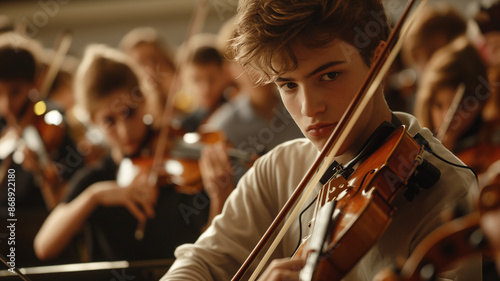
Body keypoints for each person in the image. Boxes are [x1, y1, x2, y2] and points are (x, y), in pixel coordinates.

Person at [161, 1, 479, 280]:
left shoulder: (448, 189)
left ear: (379, 60)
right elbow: (199, 263)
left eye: (329, 76)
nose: (309, 108)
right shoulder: (277, 169)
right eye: (287, 85)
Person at [33, 45, 226, 262]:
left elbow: (213, 255)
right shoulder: (96, 178)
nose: (125, 131)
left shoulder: (180, 165)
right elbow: (44, 247)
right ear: (93, 121)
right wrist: (96, 196)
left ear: (143, 99)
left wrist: (221, 196)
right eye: (109, 121)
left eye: (129, 112)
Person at [413, 36, 494, 174]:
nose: (446, 116)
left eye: (460, 107)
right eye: (439, 105)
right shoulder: (418, 147)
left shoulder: (488, 143)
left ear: (479, 104)